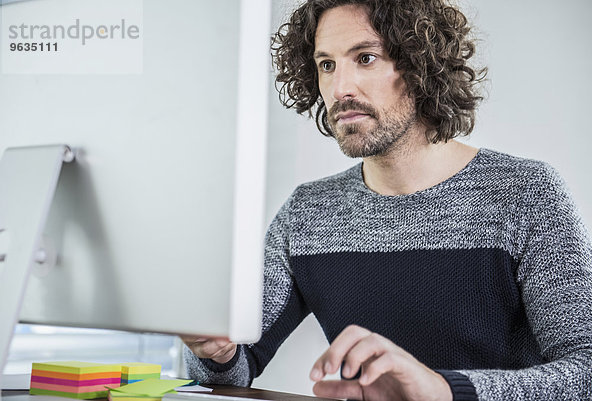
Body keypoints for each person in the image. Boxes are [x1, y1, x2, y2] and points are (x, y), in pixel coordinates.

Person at [182, 0, 592, 399]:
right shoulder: (307, 214)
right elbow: (236, 368)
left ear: (421, 66)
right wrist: (216, 353)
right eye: (327, 64)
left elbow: (585, 370)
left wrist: (445, 390)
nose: (340, 88)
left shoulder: (526, 194)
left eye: (365, 58)